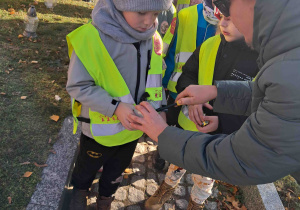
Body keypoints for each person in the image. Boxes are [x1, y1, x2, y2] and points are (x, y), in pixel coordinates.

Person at [128, 0, 300, 186]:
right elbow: (268, 95)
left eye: (225, 6)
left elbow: (243, 160)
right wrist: (217, 91)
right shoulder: (287, 59)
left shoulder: (284, 66)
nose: (222, 21)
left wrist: (162, 133)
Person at [144, 9, 259, 210]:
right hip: (190, 125)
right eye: (222, 17)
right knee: (178, 159)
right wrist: (192, 100)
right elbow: (186, 76)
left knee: (206, 174)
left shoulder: (260, 60)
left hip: (223, 137)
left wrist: (222, 123)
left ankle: (197, 202)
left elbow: (258, 106)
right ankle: (167, 186)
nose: (222, 24)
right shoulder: (209, 45)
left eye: (231, 19)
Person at [66, 0, 171, 209]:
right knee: (86, 167)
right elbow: (78, 86)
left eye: (156, 13)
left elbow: (155, 78)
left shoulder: (153, 38)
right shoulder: (91, 37)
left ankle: (106, 197)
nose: (149, 22)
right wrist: (115, 107)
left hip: (132, 131)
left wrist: (160, 110)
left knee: (117, 169)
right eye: (141, 12)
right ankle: (80, 191)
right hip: (98, 130)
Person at [154, 0, 218, 171]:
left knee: (190, 128)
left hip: (206, 96)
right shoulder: (184, 15)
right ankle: (162, 151)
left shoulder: (231, 24)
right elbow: (168, 47)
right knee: (170, 123)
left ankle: (179, 158)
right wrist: (163, 81)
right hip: (177, 89)